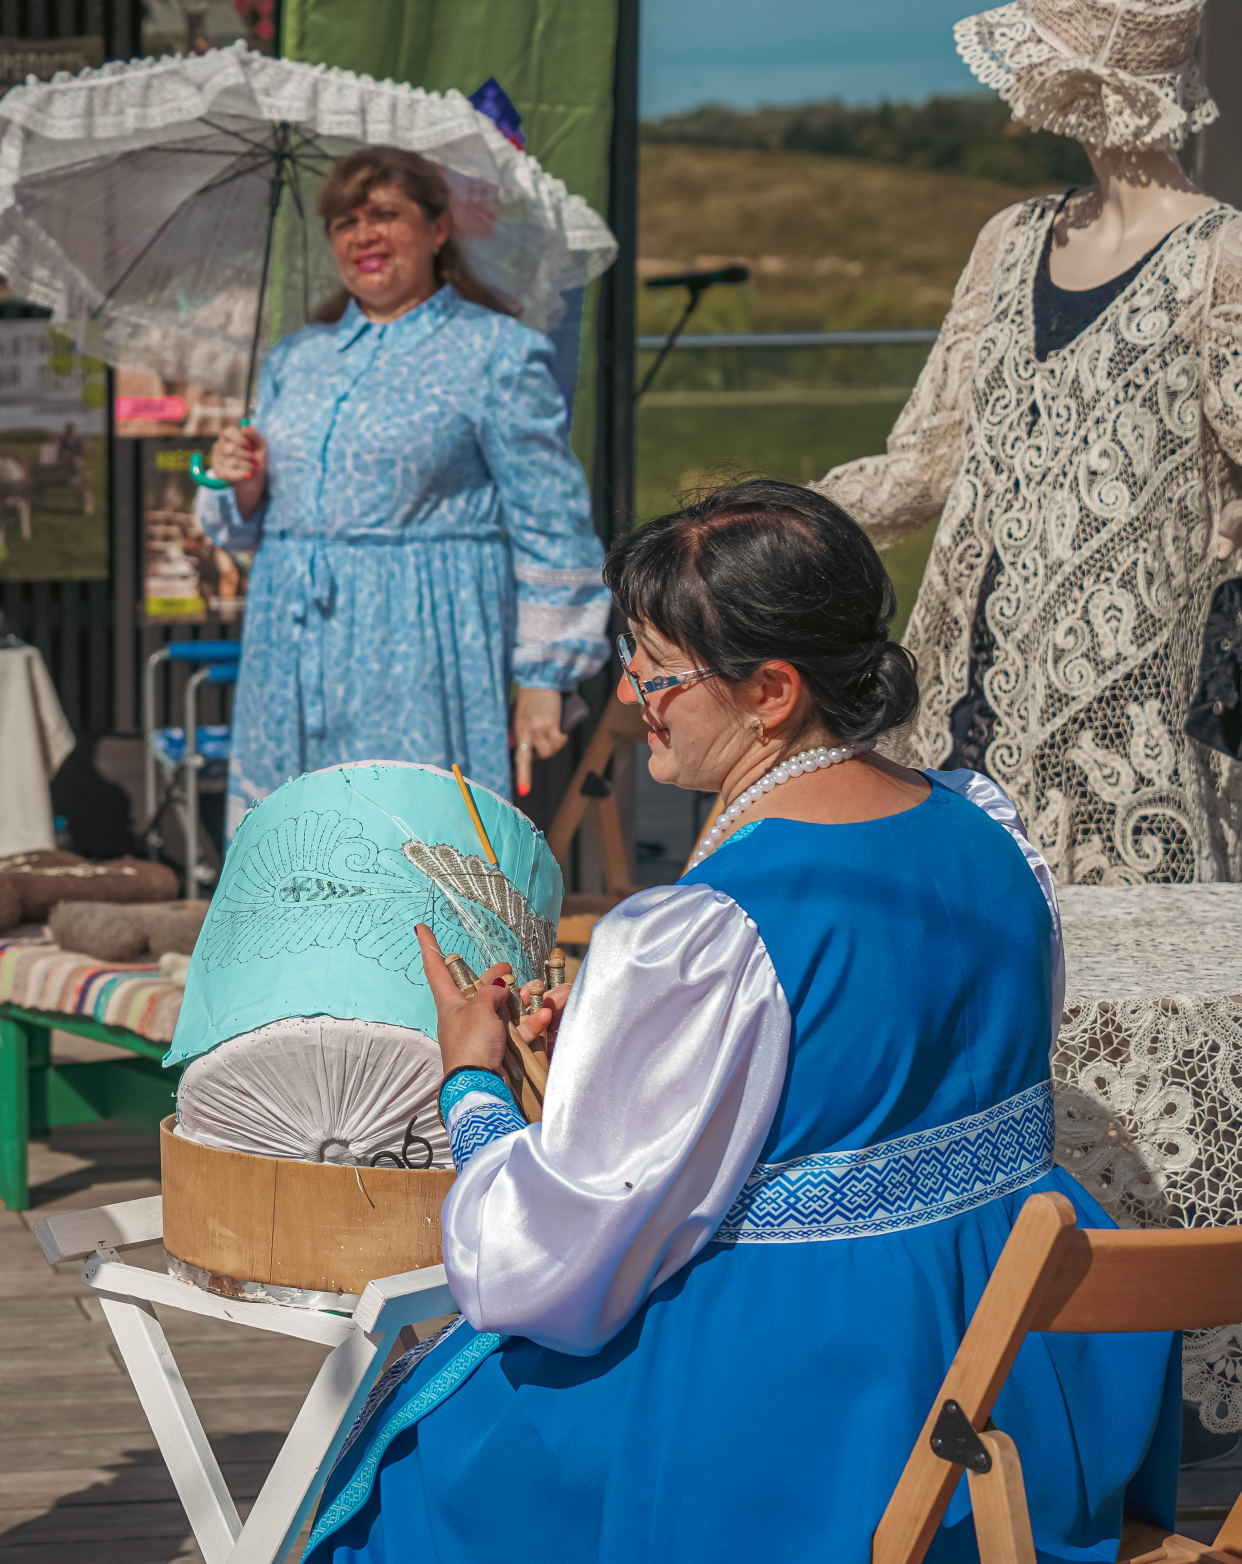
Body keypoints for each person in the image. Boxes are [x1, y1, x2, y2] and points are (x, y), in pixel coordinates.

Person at [304, 481, 1175, 1563]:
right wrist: (630, 1053)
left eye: (657, 670)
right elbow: (903, 1075)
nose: (633, 695)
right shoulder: (988, 832)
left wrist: (474, 1084)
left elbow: (543, 1264)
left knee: (416, 1480)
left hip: (815, 1407)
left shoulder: (702, 928)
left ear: (772, 690)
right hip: (1022, 1373)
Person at [816, 0, 1241, 883]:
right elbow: (924, 464)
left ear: (1089, 69)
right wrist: (766, 527)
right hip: (963, 698)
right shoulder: (1009, 240)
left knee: (1120, 963)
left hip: (1128, 722)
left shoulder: (1223, 257)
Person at [200, 145, 606, 826]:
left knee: (410, 843)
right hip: (288, 640)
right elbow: (246, 524)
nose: (363, 235)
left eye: (385, 215)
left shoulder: (495, 351)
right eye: (345, 222)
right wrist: (234, 479)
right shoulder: (296, 358)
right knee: (297, 846)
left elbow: (552, 518)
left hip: (417, 640)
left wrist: (543, 676)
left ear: (438, 227)